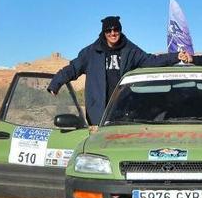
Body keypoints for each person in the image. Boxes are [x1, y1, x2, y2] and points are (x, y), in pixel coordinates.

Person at [48, 16, 185, 125]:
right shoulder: (91, 53)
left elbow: (151, 61)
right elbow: (73, 68)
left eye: (116, 30)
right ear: (104, 32)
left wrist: (175, 57)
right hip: (98, 111)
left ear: (120, 30)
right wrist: (56, 83)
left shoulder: (130, 50)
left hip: (124, 110)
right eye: (109, 30)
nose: (113, 33)